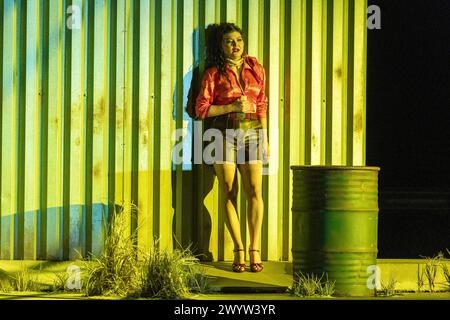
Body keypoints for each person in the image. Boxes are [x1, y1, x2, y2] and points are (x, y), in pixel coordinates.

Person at [195, 23, 270, 273]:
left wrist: (265, 137)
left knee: (255, 191)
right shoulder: (213, 73)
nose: (235, 45)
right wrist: (231, 107)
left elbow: (262, 103)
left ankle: (255, 248)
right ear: (221, 45)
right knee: (228, 191)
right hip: (221, 132)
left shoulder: (255, 68)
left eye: (238, 40)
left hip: (252, 131)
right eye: (229, 41)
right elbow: (201, 109)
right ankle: (238, 249)